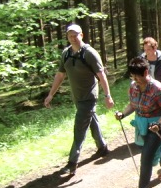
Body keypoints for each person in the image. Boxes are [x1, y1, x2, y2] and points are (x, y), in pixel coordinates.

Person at [44, 24, 114, 176]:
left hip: (89, 97)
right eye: (70, 36)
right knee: (91, 121)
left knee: (79, 129)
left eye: (75, 35)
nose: (73, 38)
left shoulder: (90, 53)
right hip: (77, 97)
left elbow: (101, 75)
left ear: (81, 35)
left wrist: (107, 95)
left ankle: (72, 163)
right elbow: (60, 75)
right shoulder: (66, 54)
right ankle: (102, 147)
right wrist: (51, 94)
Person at [114, 58, 161, 188]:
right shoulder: (133, 86)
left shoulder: (157, 88)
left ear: (146, 72)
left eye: (137, 76)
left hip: (156, 127)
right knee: (144, 148)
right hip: (141, 125)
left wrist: (158, 124)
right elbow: (133, 105)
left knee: (146, 158)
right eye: (132, 76)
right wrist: (122, 114)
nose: (135, 79)